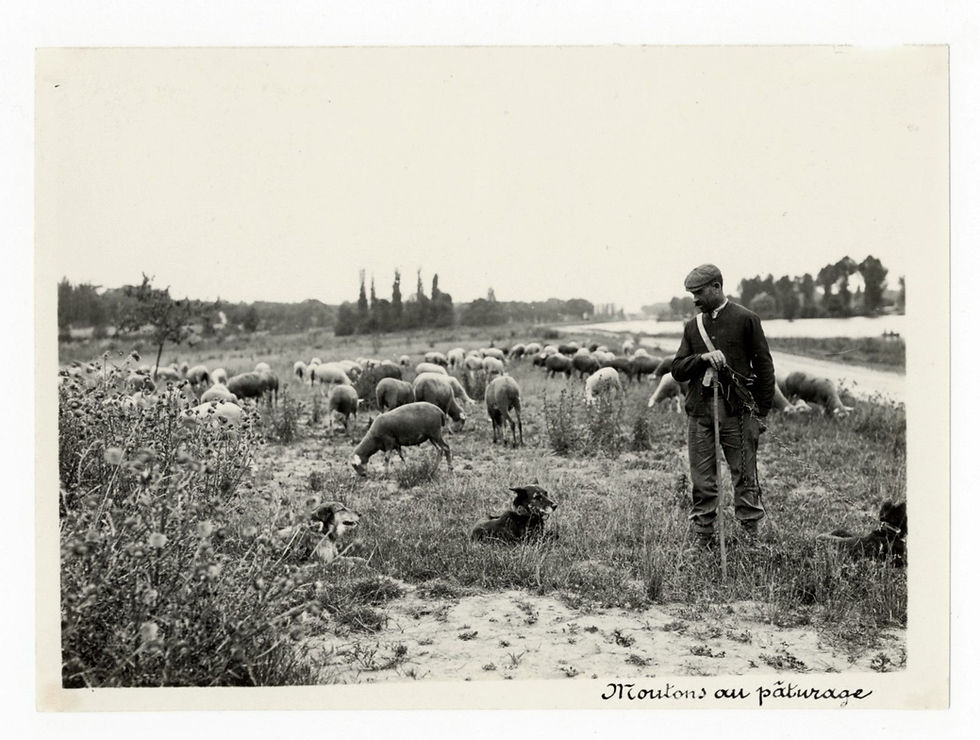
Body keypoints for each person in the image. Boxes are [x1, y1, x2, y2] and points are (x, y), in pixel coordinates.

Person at [670, 264, 775, 548]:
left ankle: (750, 540)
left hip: (738, 415)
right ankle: (703, 539)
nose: (694, 299)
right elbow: (677, 369)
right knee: (702, 481)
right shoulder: (693, 327)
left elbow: (765, 368)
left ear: (716, 287)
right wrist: (702, 359)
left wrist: (760, 413)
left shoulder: (746, 319)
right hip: (700, 414)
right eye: (691, 293)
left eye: (699, 292)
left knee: (745, 476)